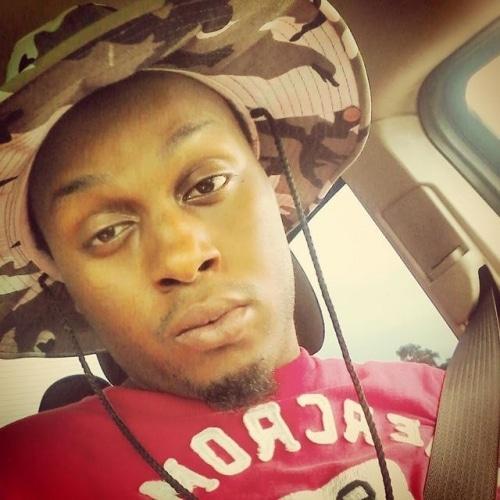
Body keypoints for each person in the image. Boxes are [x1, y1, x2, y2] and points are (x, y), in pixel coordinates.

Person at [0, 2, 445, 499]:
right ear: (67, 284)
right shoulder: (22, 471)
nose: (182, 259)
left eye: (207, 184)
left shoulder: (452, 403)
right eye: (106, 232)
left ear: (274, 189)